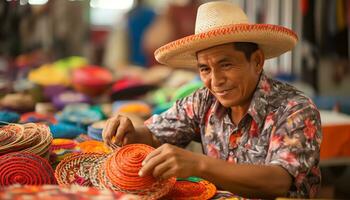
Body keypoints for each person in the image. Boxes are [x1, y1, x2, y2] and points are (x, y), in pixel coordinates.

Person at [102, 1, 322, 199]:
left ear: (257, 61)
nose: (215, 81)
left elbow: (279, 181)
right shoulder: (202, 101)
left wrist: (198, 164)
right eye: (205, 69)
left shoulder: (295, 109)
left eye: (226, 65)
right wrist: (130, 133)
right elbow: (153, 135)